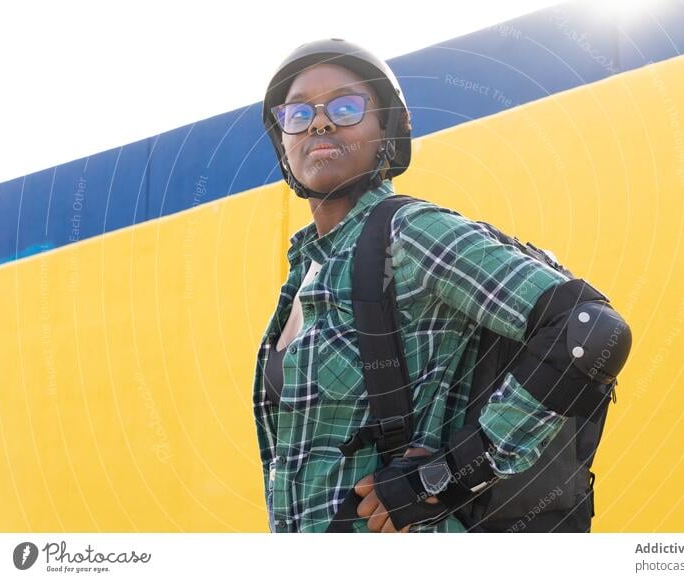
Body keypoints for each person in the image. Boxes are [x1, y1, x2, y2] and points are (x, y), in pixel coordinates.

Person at [253, 39, 606, 533]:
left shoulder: (407, 232)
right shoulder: (303, 275)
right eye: (298, 113)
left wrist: (452, 474)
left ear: (388, 130)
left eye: (346, 106)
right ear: (283, 142)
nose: (320, 122)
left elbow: (589, 331)